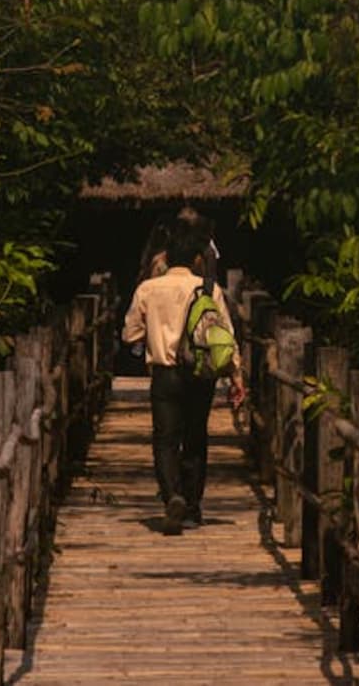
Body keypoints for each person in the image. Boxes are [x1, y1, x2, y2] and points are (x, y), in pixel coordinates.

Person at [121, 224, 246, 534]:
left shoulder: (148, 289)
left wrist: (153, 335)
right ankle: (191, 507)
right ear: (194, 258)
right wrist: (236, 375)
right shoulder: (208, 290)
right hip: (200, 373)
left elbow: (130, 334)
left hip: (164, 373)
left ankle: (171, 496)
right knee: (195, 438)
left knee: (164, 440)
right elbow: (223, 337)